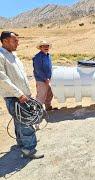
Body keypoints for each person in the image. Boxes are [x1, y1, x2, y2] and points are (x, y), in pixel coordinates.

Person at [0, 31, 44, 159]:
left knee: (19, 121)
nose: (18, 43)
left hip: (22, 96)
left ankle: (21, 143)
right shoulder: (1, 56)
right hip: (15, 97)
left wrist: (27, 94)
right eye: (15, 40)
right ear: (5, 41)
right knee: (26, 122)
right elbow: (3, 79)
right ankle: (29, 149)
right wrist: (19, 94)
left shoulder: (14, 55)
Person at [33, 40, 53, 111]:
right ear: (40, 47)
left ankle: (48, 107)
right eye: (44, 46)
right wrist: (45, 78)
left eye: (47, 46)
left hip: (48, 79)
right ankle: (37, 111)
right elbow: (38, 70)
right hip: (41, 80)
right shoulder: (38, 57)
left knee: (49, 93)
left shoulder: (48, 55)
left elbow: (50, 67)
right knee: (41, 95)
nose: (46, 47)